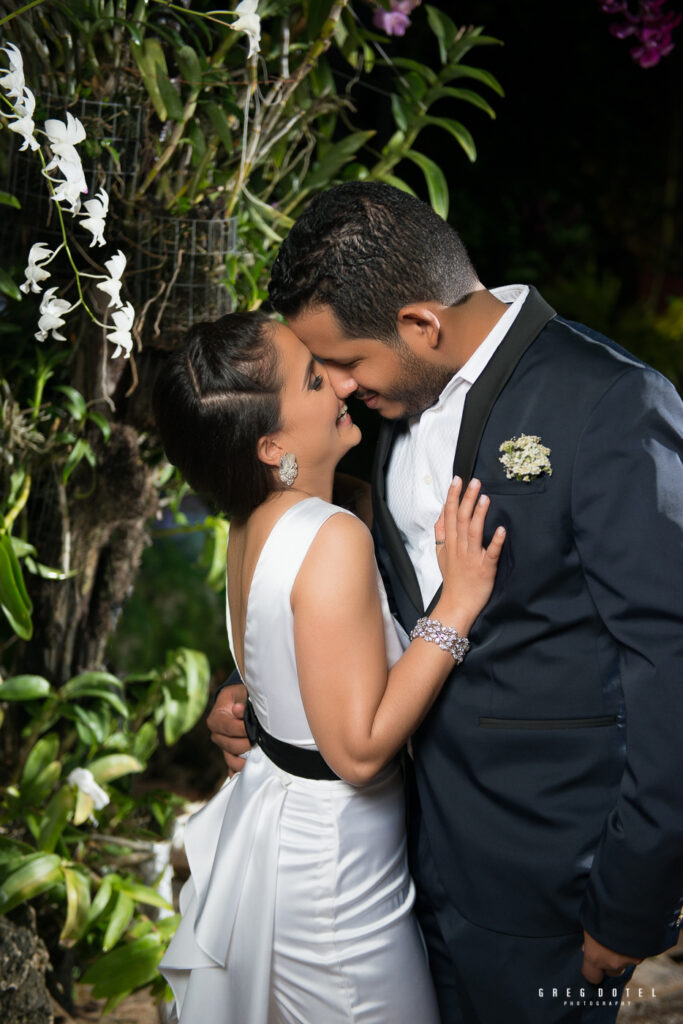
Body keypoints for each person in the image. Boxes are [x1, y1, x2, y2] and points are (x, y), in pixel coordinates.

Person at [209, 182, 683, 1024]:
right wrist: (274, 700)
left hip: (546, 886)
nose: (342, 391)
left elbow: (669, 665)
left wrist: (633, 897)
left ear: (421, 325)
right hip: (388, 867)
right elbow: (350, 596)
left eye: (346, 364)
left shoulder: (610, 403)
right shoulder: (381, 414)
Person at [154, 311, 506, 1022]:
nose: (341, 383)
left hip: (285, 829)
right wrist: (458, 603)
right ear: (272, 444)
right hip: (336, 875)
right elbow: (359, 750)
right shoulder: (332, 537)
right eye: (315, 378)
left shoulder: (250, 519)